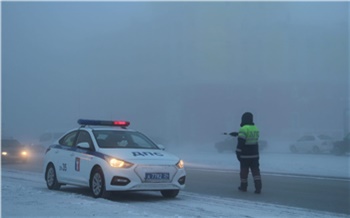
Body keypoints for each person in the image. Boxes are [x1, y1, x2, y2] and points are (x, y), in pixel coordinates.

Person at [235, 112, 262, 194]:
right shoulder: (255, 128)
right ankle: (258, 187)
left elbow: (241, 143)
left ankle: (243, 187)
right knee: (255, 171)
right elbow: (253, 140)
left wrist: (238, 153)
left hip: (245, 155)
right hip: (254, 154)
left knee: (244, 172)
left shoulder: (243, 129)